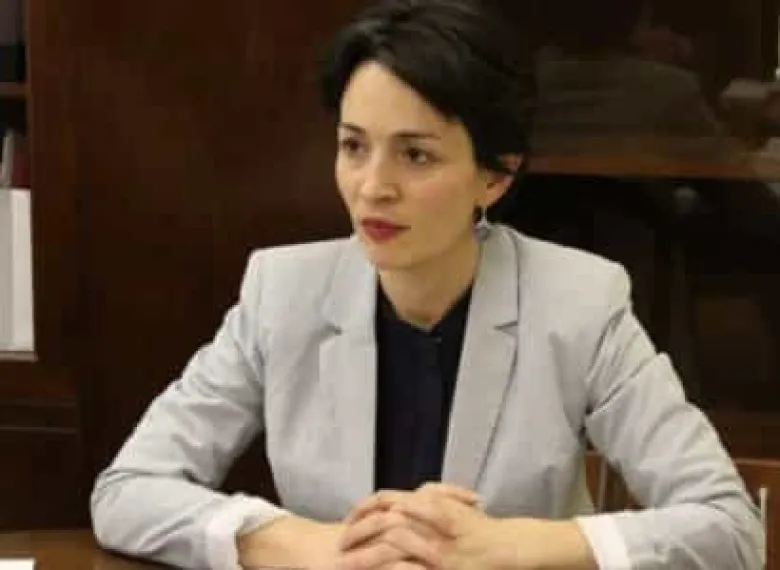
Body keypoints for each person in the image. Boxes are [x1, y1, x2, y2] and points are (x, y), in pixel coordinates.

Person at [90, 1, 765, 569]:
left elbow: (729, 527)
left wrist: (515, 546)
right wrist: (301, 544)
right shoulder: (281, 293)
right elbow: (127, 490)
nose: (372, 187)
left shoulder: (580, 302)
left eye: (415, 154)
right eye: (354, 146)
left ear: (495, 175)